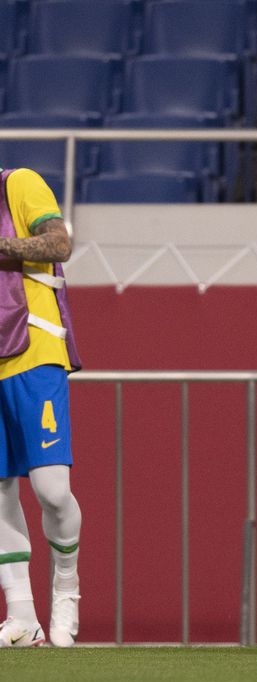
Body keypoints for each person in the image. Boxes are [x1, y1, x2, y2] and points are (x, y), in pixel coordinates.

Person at [0, 167, 84, 648]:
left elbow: (59, 244)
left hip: (34, 351)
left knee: (52, 490)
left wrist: (6, 246)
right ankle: (21, 616)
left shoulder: (19, 183)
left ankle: (67, 583)